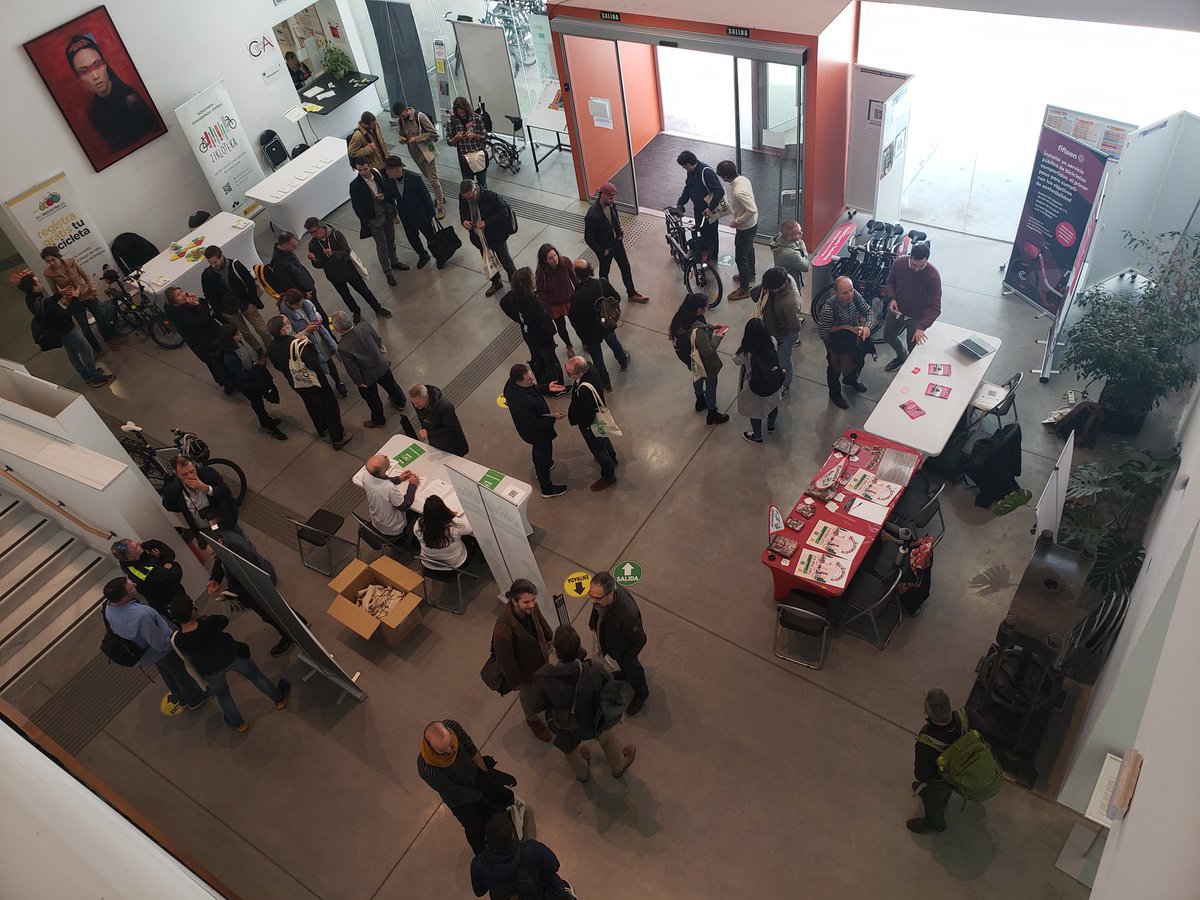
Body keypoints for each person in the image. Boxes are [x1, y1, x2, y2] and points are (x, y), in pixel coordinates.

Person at [527, 625, 636, 782]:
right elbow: (610, 687)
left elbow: (535, 706)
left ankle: (583, 773)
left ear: (555, 650)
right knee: (607, 739)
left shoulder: (544, 678)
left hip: (567, 726)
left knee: (570, 750)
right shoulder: (594, 669)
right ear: (578, 647)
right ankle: (618, 766)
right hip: (595, 721)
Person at [169, 596, 290, 734]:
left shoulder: (179, 640)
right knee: (256, 677)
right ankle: (278, 698)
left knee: (223, 695)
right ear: (192, 611)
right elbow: (224, 620)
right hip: (232, 656)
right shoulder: (209, 623)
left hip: (211, 671)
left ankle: (238, 722)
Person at [101, 577, 209, 714]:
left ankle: (181, 698)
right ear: (123, 598)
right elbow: (159, 643)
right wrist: (173, 642)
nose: (135, 585)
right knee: (180, 673)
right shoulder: (141, 616)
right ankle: (195, 698)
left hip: (144, 653)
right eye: (131, 588)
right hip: (161, 651)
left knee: (167, 673)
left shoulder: (107, 606)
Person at [417, 719, 514, 853]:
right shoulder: (427, 768)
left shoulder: (453, 727)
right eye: (443, 750)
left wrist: (485, 775)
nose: (450, 751)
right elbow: (453, 790)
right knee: (474, 827)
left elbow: (471, 749)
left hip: (476, 782)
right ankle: (481, 853)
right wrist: (480, 795)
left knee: (491, 813)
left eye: (450, 744)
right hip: (460, 802)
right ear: (430, 747)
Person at [206, 528, 299, 658]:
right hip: (259, 582)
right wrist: (215, 578)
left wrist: (228, 593)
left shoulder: (237, 551)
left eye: (212, 553)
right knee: (277, 607)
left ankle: (289, 637)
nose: (212, 557)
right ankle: (300, 622)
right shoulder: (226, 542)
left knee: (270, 615)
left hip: (258, 587)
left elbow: (249, 577)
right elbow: (220, 559)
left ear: (219, 542)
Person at [266, 316, 351, 450]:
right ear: (283, 331)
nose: (290, 325)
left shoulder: (271, 348)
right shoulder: (300, 345)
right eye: (288, 323)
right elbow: (313, 364)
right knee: (329, 406)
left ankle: (321, 428)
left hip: (296, 382)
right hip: (314, 381)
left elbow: (277, 366)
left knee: (311, 404)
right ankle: (338, 437)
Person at [65, 34, 160, 153]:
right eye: (84, 71)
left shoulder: (130, 96)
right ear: (78, 78)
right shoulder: (95, 114)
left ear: (105, 65)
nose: (95, 76)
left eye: (97, 65)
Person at [910, 688, 984, 833]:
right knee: (948, 786)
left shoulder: (927, 741)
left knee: (932, 800)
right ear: (950, 704)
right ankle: (944, 800)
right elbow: (983, 733)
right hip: (960, 771)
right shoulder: (968, 715)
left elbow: (921, 774)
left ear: (927, 712)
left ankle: (934, 824)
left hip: (939, 780)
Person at [20, 274, 113, 388]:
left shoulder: (29, 299)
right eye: (38, 282)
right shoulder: (44, 302)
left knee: (72, 352)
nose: (40, 282)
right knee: (86, 350)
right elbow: (66, 314)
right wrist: (75, 297)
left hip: (56, 331)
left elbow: (46, 306)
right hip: (66, 330)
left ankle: (86, 375)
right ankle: (96, 378)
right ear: (34, 288)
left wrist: (59, 294)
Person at [493, 579, 555, 741]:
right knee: (528, 696)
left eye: (533, 600)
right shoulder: (503, 629)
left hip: (540, 658)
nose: (532, 605)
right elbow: (505, 659)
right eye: (526, 602)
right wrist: (516, 682)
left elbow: (540, 620)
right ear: (514, 601)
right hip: (525, 671)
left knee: (544, 683)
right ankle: (532, 720)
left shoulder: (531, 608)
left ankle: (546, 701)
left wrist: (549, 638)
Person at [332, 311, 411, 431]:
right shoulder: (365, 326)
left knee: (373, 399)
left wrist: (358, 382)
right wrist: (379, 349)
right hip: (382, 366)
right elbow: (377, 339)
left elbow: (351, 368)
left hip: (366, 377)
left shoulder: (343, 347)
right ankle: (400, 402)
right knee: (392, 385)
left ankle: (379, 420)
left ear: (337, 329)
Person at [470, 812, 576, 900]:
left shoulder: (478, 865)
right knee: (552, 879)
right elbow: (554, 866)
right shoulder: (532, 849)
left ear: (487, 840)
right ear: (513, 834)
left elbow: (479, 892)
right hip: (536, 894)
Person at [304, 218, 391, 322]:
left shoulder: (336, 235)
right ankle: (356, 311)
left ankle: (377, 307)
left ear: (321, 227)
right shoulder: (313, 244)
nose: (314, 235)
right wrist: (314, 260)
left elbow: (346, 252)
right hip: (334, 276)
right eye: (310, 233)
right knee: (345, 296)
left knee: (363, 290)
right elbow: (320, 265)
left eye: (314, 231)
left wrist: (333, 254)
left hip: (349, 271)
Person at [587, 571, 648, 714]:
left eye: (596, 598)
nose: (592, 601)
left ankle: (642, 692)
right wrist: (593, 622)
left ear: (610, 594)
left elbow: (640, 640)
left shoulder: (627, 614)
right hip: (614, 644)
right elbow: (596, 607)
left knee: (633, 668)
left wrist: (628, 657)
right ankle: (626, 674)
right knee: (626, 667)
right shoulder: (602, 597)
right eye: (590, 596)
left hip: (624, 649)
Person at [503, 364, 567, 498]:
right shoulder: (522, 402)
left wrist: (545, 388)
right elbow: (532, 425)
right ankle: (547, 488)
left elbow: (532, 389)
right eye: (529, 380)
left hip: (533, 432)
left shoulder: (512, 384)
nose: (532, 381)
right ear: (519, 382)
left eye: (531, 376)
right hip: (538, 433)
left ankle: (542, 468)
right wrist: (552, 418)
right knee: (543, 455)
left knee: (539, 451)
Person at [568, 259, 630, 392]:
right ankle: (623, 361)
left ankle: (606, 384)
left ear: (577, 275)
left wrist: (582, 336)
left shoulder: (576, 297)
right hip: (606, 325)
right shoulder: (602, 283)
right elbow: (616, 298)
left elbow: (574, 320)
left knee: (597, 358)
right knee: (614, 342)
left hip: (590, 333)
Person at [216, 325, 287, 440]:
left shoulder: (238, 345)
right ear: (230, 338)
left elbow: (247, 360)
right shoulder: (229, 357)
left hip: (252, 376)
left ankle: (265, 421)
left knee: (259, 403)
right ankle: (271, 427)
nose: (240, 335)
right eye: (237, 334)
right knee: (258, 404)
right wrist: (257, 369)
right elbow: (240, 375)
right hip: (248, 385)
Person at [583, 182, 648, 304]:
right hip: (605, 249)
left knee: (625, 267)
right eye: (610, 198)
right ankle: (606, 298)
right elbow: (588, 238)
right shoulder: (593, 215)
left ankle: (632, 293)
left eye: (614, 198)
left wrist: (620, 233)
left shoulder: (612, 205)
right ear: (602, 195)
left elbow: (615, 221)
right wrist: (602, 251)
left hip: (617, 244)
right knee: (604, 274)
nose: (613, 200)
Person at [669, 293, 728, 425]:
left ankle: (700, 400)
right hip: (705, 363)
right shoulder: (699, 331)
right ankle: (712, 413)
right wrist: (717, 337)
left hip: (692, 360)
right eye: (706, 306)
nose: (707, 308)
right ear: (699, 310)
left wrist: (711, 327)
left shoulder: (682, 318)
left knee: (697, 376)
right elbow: (707, 351)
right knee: (711, 385)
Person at [277, 288, 348, 398]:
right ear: (288, 304)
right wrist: (306, 331)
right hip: (307, 346)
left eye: (301, 303)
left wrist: (318, 319)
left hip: (319, 337)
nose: (300, 306)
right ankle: (326, 391)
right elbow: (291, 338)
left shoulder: (306, 304)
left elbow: (316, 312)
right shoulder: (285, 318)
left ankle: (338, 383)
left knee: (328, 360)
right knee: (317, 369)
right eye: (297, 305)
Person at [819, 276, 876, 410]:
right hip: (836, 345)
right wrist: (833, 351)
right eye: (845, 292)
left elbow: (869, 311)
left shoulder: (854, 295)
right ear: (835, 293)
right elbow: (823, 332)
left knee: (858, 361)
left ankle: (851, 379)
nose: (849, 294)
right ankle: (835, 394)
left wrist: (867, 326)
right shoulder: (829, 308)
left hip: (854, 338)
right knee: (834, 370)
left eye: (851, 290)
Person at [40, 246, 111, 353]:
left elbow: (86, 277)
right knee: (85, 328)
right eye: (48, 261)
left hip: (87, 295)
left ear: (58, 257)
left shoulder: (71, 262)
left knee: (101, 320)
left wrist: (93, 292)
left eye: (53, 260)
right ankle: (97, 349)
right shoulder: (48, 273)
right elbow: (54, 291)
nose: (51, 263)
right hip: (74, 302)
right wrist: (66, 302)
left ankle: (109, 340)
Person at [349, 157, 409, 286]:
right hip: (374, 221)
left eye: (365, 169)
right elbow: (357, 207)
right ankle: (387, 272)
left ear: (370, 166)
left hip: (387, 214)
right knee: (381, 247)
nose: (363, 172)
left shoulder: (378, 175)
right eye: (359, 170)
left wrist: (385, 199)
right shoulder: (355, 186)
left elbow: (388, 191)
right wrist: (368, 221)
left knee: (391, 240)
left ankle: (394, 261)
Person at [883, 242, 941, 372]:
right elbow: (890, 282)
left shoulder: (933, 276)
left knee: (913, 347)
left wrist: (922, 327)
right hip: (897, 310)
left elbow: (936, 308)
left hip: (917, 316)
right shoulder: (899, 263)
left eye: (921, 266)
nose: (916, 269)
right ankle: (902, 356)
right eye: (914, 264)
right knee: (888, 336)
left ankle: (910, 369)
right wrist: (892, 298)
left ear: (927, 260)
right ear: (910, 256)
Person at [500, 268, 562, 389]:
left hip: (528, 334)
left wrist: (517, 319)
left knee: (536, 358)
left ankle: (542, 381)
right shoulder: (535, 302)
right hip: (542, 338)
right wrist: (551, 333)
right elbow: (548, 325)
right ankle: (554, 386)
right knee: (549, 361)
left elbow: (503, 303)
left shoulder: (513, 296)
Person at [201, 246, 270, 352]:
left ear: (221, 257)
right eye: (210, 263)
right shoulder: (207, 275)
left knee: (262, 329)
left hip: (246, 304)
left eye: (215, 262)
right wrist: (219, 310)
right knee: (245, 333)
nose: (213, 265)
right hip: (229, 311)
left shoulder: (235, 265)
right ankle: (258, 350)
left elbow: (249, 282)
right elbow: (208, 294)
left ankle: (271, 346)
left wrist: (251, 300)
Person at [564, 356, 617, 492]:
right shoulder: (589, 366)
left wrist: (584, 425)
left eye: (570, 373)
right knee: (604, 436)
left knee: (598, 448)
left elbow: (588, 414)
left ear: (580, 374)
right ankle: (612, 456)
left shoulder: (584, 390)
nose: (568, 375)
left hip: (590, 423)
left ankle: (608, 475)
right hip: (598, 418)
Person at [460, 180, 516, 297]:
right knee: (488, 261)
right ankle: (496, 282)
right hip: (478, 237)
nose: (469, 201)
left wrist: (487, 222)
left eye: (471, 197)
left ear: (476, 189)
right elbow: (462, 212)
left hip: (496, 236)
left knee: (505, 260)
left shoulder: (491, 196)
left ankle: (516, 284)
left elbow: (504, 212)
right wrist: (464, 221)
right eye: (467, 199)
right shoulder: (463, 198)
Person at [110, 538, 188, 620]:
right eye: (137, 547)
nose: (139, 544)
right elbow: (175, 574)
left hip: (174, 590)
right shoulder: (143, 573)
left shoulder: (127, 558)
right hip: (169, 601)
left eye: (136, 543)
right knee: (185, 619)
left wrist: (165, 562)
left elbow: (156, 544)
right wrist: (166, 561)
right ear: (131, 558)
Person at [733, 317, 783, 445]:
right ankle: (771, 426)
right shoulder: (772, 341)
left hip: (754, 387)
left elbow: (735, 359)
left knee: (755, 413)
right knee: (772, 405)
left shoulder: (746, 352)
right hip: (772, 381)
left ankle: (757, 436)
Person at [161, 455, 241, 535]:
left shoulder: (208, 474)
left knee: (241, 542)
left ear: (195, 466)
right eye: (184, 474)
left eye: (192, 471)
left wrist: (206, 489)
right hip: (203, 529)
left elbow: (226, 492)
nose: (190, 476)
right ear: (176, 474)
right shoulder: (172, 489)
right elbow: (168, 505)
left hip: (223, 519)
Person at [382, 156, 438, 269]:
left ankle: (439, 255)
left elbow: (426, 196)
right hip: (405, 215)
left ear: (397, 169)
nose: (386, 172)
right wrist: (383, 197)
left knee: (430, 236)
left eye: (389, 169)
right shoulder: (390, 180)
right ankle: (423, 255)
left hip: (421, 215)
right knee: (412, 237)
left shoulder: (414, 178)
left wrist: (431, 214)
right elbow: (390, 195)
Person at [163, 287, 226, 387]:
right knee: (218, 363)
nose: (183, 294)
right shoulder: (180, 315)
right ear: (174, 302)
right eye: (178, 295)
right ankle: (227, 382)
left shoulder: (184, 306)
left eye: (182, 292)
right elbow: (202, 321)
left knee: (219, 361)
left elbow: (205, 308)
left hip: (211, 338)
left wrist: (198, 301)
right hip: (206, 344)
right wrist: (198, 306)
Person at [756, 267, 804, 398]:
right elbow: (757, 292)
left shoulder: (790, 301)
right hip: (774, 329)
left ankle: (785, 384)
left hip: (785, 336)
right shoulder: (784, 277)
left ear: (782, 285)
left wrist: (782, 335)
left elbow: (794, 327)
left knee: (784, 361)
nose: (769, 291)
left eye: (771, 289)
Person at [393, 100, 446, 216]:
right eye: (400, 117)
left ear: (407, 109)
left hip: (427, 151)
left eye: (403, 115)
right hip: (415, 154)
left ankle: (441, 206)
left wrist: (417, 138)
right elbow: (402, 134)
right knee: (429, 177)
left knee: (433, 179)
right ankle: (440, 196)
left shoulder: (420, 117)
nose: (402, 118)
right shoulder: (401, 120)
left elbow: (433, 133)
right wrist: (402, 139)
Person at [716, 160, 759, 299]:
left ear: (726, 177)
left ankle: (745, 289)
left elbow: (752, 210)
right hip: (752, 224)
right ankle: (750, 274)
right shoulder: (744, 179)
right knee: (749, 249)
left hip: (745, 227)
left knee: (741, 257)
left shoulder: (738, 191)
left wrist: (737, 221)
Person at [674, 150, 723, 258]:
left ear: (688, 164)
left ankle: (712, 257)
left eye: (683, 167)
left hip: (710, 210)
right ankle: (704, 254)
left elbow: (719, 191)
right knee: (702, 231)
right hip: (699, 209)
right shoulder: (691, 171)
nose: (684, 169)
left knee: (711, 234)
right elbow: (688, 187)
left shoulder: (706, 172)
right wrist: (680, 203)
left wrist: (710, 208)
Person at [270, 231, 327, 321]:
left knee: (319, 313)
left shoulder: (287, 253)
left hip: (307, 288)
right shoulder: (279, 263)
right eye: (292, 246)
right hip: (304, 294)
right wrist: (303, 294)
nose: (295, 248)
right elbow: (287, 284)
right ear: (284, 246)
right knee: (317, 316)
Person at [361, 454, 420, 540]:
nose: (386, 456)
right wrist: (412, 485)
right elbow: (404, 506)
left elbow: (380, 479)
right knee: (419, 511)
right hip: (393, 528)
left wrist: (399, 479)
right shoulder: (388, 488)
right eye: (385, 459)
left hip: (377, 522)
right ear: (385, 469)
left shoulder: (367, 475)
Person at [535, 243, 578, 356]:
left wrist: (579, 294)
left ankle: (584, 341)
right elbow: (541, 292)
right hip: (554, 305)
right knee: (561, 327)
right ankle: (569, 346)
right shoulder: (541, 272)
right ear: (545, 261)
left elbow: (574, 279)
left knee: (577, 323)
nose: (555, 259)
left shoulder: (565, 262)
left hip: (570, 300)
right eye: (551, 258)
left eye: (555, 255)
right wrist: (547, 310)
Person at [413, 495, 474, 570]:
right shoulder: (455, 526)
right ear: (444, 510)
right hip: (454, 564)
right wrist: (452, 515)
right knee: (472, 539)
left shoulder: (418, 525)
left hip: (428, 562)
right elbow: (470, 528)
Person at [409, 384, 469, 457]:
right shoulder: (418, 403)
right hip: (436, 443)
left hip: (452, 446)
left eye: (417, 402)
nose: (415, 406)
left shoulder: (445, 407)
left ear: (425, 397)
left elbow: (452, 430)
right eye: (413, 402)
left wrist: (429, 434)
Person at [447, 96, 490, 188]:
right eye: (459, 112)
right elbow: (450, 142)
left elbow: (485, 136)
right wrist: (456, 137)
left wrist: (475, 135)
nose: (462, 114)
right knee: (468, 186)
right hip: (464, 157)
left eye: (464, 112)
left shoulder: (476, 117)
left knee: (482, 184)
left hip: (478, 155)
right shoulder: (452, 121)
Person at [771, 220, 811, 288]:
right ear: (789, 237)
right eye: (798, 233)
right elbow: (806, 267)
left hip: (782, 278)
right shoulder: (790, 254)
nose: (802, 233)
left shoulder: (781, 236)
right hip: (790, 285)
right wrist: (803, 250)